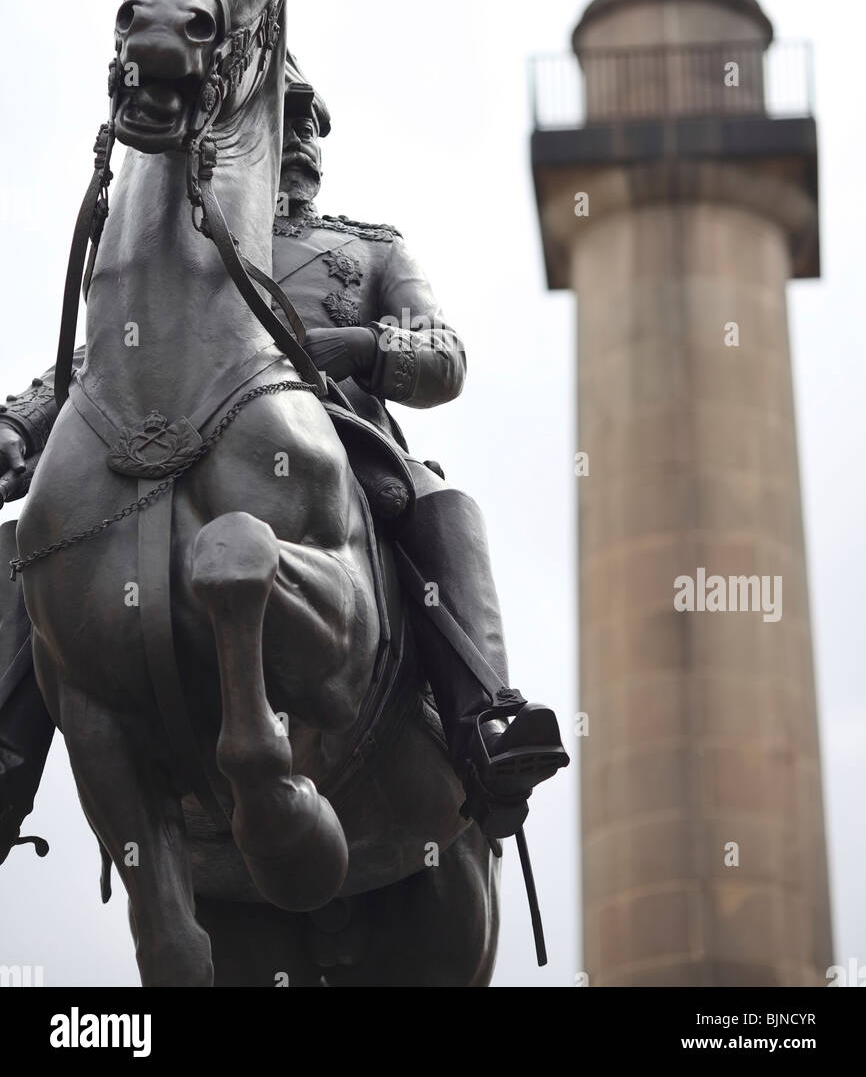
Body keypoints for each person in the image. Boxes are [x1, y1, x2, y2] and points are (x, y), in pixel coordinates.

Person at [0, 58, 567, 855]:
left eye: (315, 121)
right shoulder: (179, 249)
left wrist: (362, 347)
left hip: (337, 449)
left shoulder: (373, 248)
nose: (301, 134)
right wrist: (23, 425)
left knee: (439, 501)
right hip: (172, 445)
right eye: (289, 115)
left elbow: (446, 357)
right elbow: (103, 365)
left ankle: (484, 719)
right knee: (47, 532)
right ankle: (8, 750)